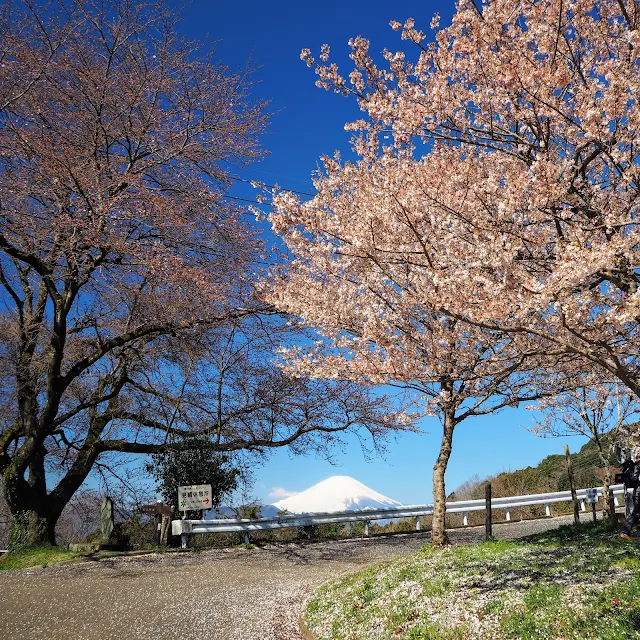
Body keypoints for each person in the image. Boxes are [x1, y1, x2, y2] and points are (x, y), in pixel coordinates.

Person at [620, 447, 640, 541]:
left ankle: (625, 532)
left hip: (637, 490)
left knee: (636, 512)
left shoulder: (635, 465)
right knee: (637, 512)